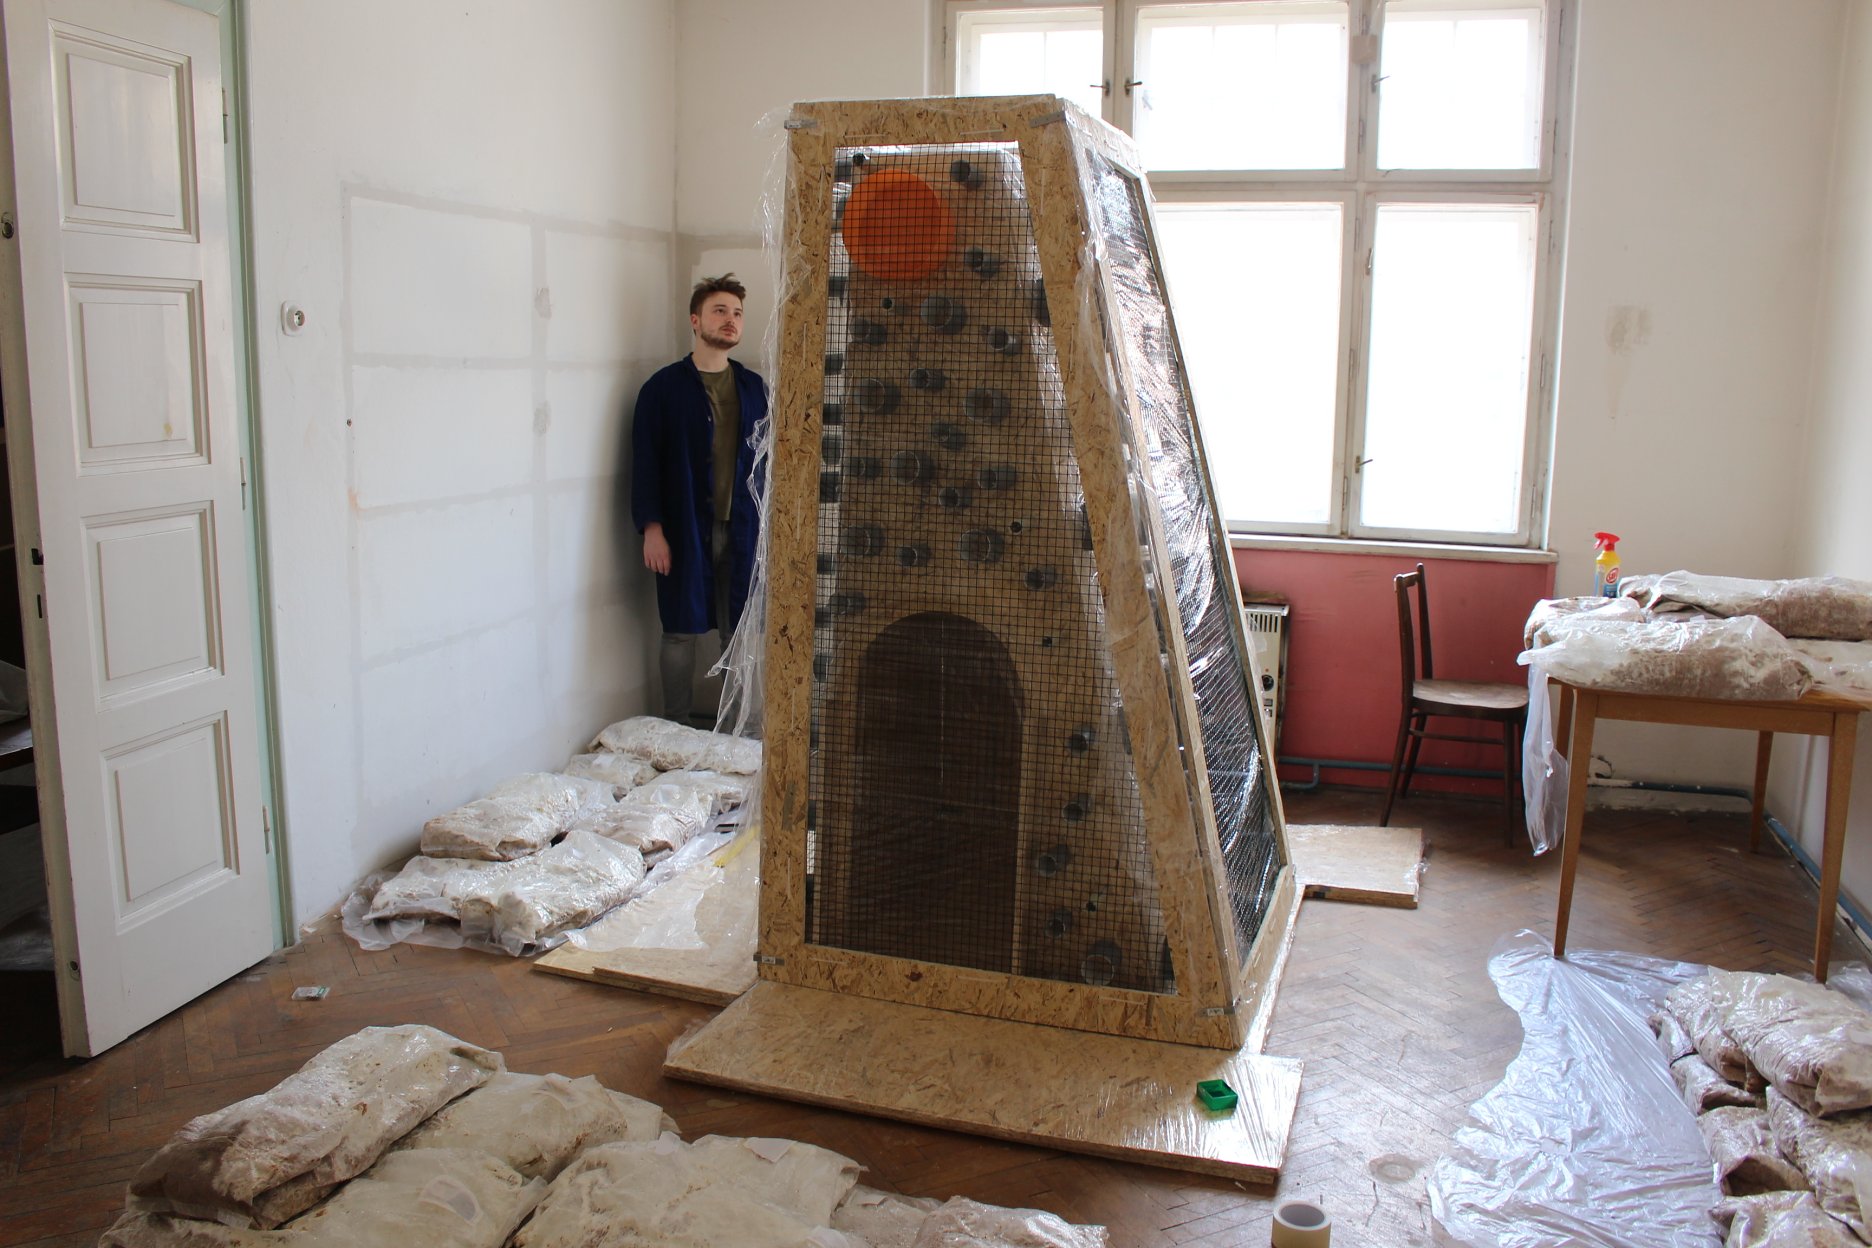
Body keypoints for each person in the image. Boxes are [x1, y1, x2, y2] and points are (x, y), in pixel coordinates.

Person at [630, 275, 766, 725]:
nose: (731, 320)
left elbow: (768, 464)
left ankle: (736, 730)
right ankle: (676, 727)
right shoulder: (662, 389)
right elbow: (645, 462)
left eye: (737, 313)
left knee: (738, 633)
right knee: (679, 630)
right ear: (695, 320)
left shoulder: (753, 389)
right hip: (684, 527)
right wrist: (652, 529)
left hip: (742, 528)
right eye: (719, 311)